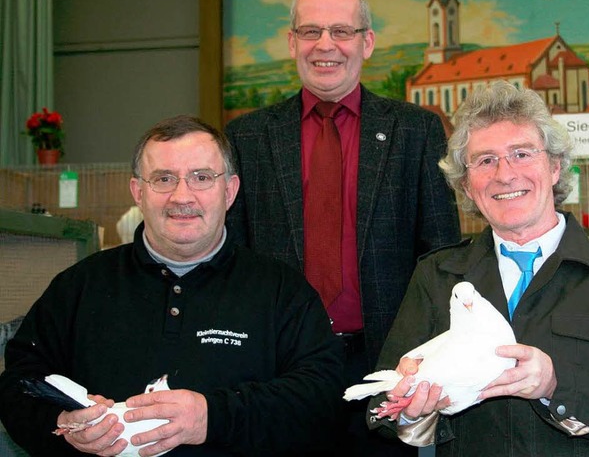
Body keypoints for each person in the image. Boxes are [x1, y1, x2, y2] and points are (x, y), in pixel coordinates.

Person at [0, 115, 344, 456]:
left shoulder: (281, 291)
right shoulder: (78, 286)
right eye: (163, 178)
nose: (182, 196)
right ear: (138, 192)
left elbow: (321, 397)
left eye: (201, 177)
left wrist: (214, 417)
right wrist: (63, 423)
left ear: (230, 191)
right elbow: (18, 385)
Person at [224, 0, 460, 454]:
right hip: (278, 371)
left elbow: (441, 258)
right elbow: (234, 262)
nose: (325, 45)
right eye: (310, 31)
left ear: (366, 42)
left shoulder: (416, 130)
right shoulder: (247, 138)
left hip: (386, 369)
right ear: (292, 42)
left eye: (341, 31)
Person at [368, 80, 589, 455]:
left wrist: (556, 383)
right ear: (466, 186)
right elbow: (380, 410)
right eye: (485, 160)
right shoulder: (437, 275)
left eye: (522, 153)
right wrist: (411, 414)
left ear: (556, 167)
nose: (505, 174)